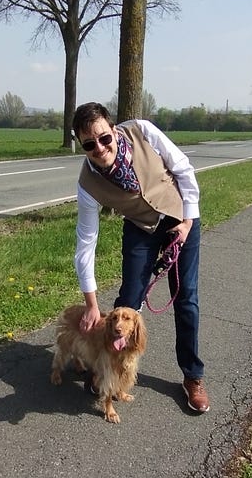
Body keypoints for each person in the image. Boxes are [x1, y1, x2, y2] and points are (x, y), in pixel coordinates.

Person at [70, 101, 209, 413]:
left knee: (186, 298)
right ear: (82, 145)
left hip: (179, 215)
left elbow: (182, 168)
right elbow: (85, 245)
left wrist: (186, 222)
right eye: (90, 144)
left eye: (104, 138)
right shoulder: (88, 185)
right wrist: (92, 304)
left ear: (113, 129)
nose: (100, 148)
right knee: (128, 300)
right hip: (140, 226)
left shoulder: (142, 131)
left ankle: (192, 376)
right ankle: (109, 368)